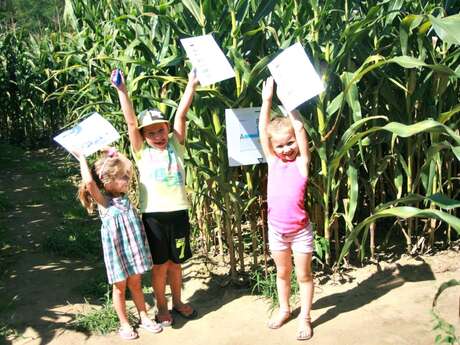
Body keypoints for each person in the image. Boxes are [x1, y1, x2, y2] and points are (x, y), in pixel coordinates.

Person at [111, 68, 199, 326]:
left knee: (176, 264)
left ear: (167, 129)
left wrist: (191, 85)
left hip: (179, 214)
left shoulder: (177, 147)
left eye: (160, 131)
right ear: (143, 136)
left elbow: (181, 113)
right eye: (150, 133)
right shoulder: (141, 153)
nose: (157, 137)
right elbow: (129, 122)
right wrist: (122, 91)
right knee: (160, 266)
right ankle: (161, 306)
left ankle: (178, 301)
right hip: (154, 218)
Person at [76, 147, 162, 340]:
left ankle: (144, 316)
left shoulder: (123, 198)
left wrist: (113, 153)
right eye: (122, 177)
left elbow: (129, 166)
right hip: (117, 253)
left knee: (137, 284)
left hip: (133, 250)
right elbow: (89, 182)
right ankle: (124, 323)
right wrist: (82, 157)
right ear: (107, 181)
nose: (128, 179)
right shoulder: (104, 202)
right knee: (120, 287)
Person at [259, 77, 314, 341]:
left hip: (301, 232)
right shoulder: (273, 162)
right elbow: (262, 132)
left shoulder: (301, 164)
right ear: (273, 147)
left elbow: (301, 130)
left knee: (303, 275)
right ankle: (284, 309)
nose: (286, 149)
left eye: (289, 143)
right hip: (277, 231)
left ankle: (305, 316)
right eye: (280, 145)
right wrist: (266, 101)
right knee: (283, 273)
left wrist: (289, 104)